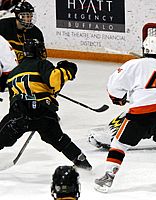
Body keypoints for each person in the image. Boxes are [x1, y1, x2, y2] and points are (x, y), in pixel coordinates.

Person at [94, 36, 156, 193]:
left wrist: (119, 98)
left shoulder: (133, 65)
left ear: (143, 50)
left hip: (142, 111)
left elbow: (113, 85)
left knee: (118, 144)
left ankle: (108, 177)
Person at [0, 38, 92, 170]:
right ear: (39, 51)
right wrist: (67, 69)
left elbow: (13, 99)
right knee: (60, 140)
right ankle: (83, 164)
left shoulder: (13, 73)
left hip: (20, 114)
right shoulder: (42, 64)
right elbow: (54, 80)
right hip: (43, 113)